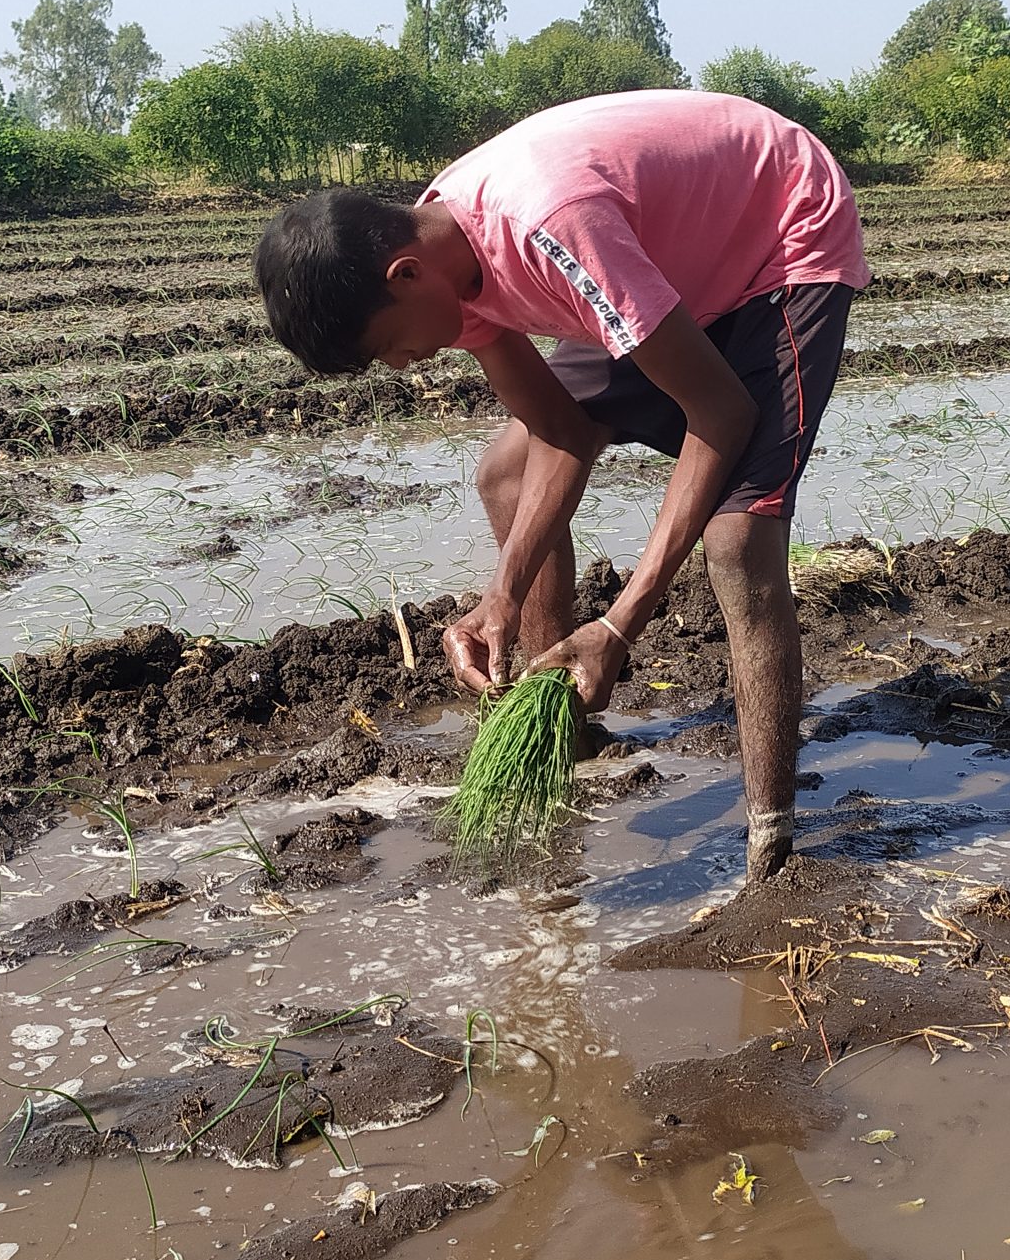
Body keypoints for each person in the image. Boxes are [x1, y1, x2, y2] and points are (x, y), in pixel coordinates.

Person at [254, 89, 870, 883]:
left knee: (737, 536)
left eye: (388, 349)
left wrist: (620, 624)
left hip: (778, 230)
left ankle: (771, 847)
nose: (403, 365)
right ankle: (568, 728)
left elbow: (717, 409)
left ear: (406, 276)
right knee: (505, 474)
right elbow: (560, 433)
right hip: (667, 265)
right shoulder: (447, 258)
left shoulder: (549, 223)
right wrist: (501, 597)